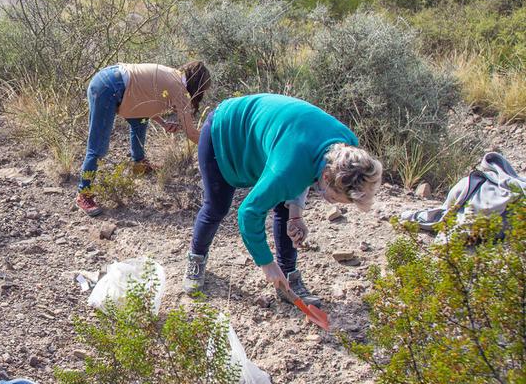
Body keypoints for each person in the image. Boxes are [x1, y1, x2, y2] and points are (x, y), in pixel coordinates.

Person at [183, 93, 383, 307]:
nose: (336, 204)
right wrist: (266, 264)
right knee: (217, 206)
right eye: (336, 198)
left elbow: (308, 164)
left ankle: (287, 278)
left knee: (285, 209)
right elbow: (248, 213)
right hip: (223, 132)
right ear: (326, 177)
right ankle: (196, 257)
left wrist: (295, 214)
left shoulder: (346, 146)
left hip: (274, 142)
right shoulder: (287, 170)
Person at [75, 61, 211, 217]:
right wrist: (216, 148)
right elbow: (192, 133)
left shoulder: (174, 77)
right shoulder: (179, 89)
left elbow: (144, 100)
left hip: (111, 80)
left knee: (140, 121)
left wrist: (163, 123)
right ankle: (83, 194)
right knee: (97, 147)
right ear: (197, 85)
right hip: (109, 87)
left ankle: (139, 164)